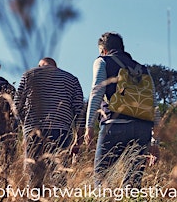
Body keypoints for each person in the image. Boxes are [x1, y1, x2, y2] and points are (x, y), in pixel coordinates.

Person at [84, 32, 156, 188]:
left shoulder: (103, 61)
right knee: (133, 184)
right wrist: (155, 139)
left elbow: (97, 91)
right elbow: (152, 103)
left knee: (102, 180)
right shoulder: (143, 69)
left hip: (114, 125)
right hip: (142, 129)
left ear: (103, 49)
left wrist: (89, 125)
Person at [14, 57, 84, 188]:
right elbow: (79, 110)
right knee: (59, 175)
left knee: (34, 176)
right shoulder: (71, 79)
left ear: (40, 65)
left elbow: (17, 106)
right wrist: (78, 138)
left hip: (34, 131)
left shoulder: (29, 75)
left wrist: (26, 126)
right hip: (61, 131)